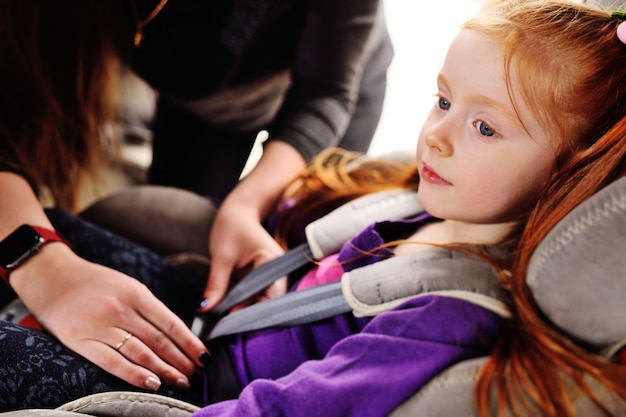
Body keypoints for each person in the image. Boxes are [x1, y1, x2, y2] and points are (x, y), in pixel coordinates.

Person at [2, 0, 625, 415]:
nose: (437, 134)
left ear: (572, 167)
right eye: (442, 100)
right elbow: (316, 276)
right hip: (212, 319)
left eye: (485, 128)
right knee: (51, 230)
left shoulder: (446, 315)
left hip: (196, 389)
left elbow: (287, 410)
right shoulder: (422, 210)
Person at [0, 0, 392, 402]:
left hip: (327, 96)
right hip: (195, 96)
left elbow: (324, 92)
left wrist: (244, 206)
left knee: (288, 235)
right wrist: (44, 265)